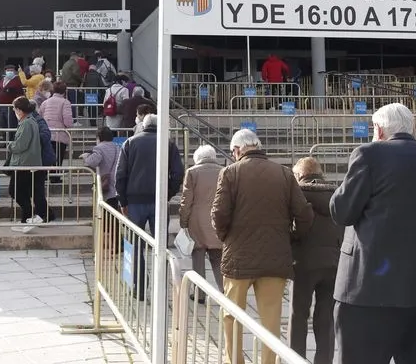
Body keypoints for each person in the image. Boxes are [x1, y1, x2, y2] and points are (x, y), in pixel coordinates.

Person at [330, 103, 416, 364]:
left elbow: (341, 211)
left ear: (378, 130)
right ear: (411, 128)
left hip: (369, 293)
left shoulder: (368, 155)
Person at [212, 128, 314, 364]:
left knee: (232, 316)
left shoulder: (230, 173)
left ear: (237, 150)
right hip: (275, 258)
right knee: (271, 319)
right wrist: (291, 237)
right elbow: (304, 215)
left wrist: (226, 238)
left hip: (238, 258)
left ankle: (234, 360)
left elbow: (218, 214)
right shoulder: (285, 174)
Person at [115, 113, 184, 299]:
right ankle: (160, 285)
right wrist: (168, 193)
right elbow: (178, 173)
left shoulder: (129, 143)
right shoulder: (168, 144)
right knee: (160, 244)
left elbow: (120, 175)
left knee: (135, 243)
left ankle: (139, 284)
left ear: (143, 125)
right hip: (159, 200)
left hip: (134, 200)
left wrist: (122, 200)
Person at [288, 156, 343, 364]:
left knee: (298, 314)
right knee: (326, 318)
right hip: (334, 262)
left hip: (304, 262)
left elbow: (294, 227)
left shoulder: (298, 194)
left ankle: (295, 358)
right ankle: (324, 360)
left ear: (300, 175)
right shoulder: (337, 194)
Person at [179, 144, 224, 303]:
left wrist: (183, 222)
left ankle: (200, 294)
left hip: (196, 221)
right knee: (218, 259)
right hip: (217, 220)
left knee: (197, 258)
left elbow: (186, 200)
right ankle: (224, 293)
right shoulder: (223, 171)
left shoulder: (192, 173)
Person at [81, 126, 122, 253]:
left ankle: (115, 244)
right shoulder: (117, 147)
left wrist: (85, 156)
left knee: (109, 217)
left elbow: (93, 162)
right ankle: (118, 242)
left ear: (99, 138)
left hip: (107, 186)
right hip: (118, 185)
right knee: (115, 216)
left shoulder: (98, 148)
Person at [4, 97, 45, 224]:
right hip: (26, 162)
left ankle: (27, 213)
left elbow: (21, 144)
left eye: (15, 109)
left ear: (20, 110)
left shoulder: (27, 123)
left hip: (24, 163)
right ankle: (27, 216)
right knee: (22, 191)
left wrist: (10, 146)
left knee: (15, 190)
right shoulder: (29, 122)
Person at [38, 81, 73, 183]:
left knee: (46, 155)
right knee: (58, 156)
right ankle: (55, 176)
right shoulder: (65, 102)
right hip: (60, 133)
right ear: (64, 91)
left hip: (46, 133)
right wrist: (70, 126)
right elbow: (67, 120)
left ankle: (44, 175)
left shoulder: (46, 102)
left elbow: (40, 115)